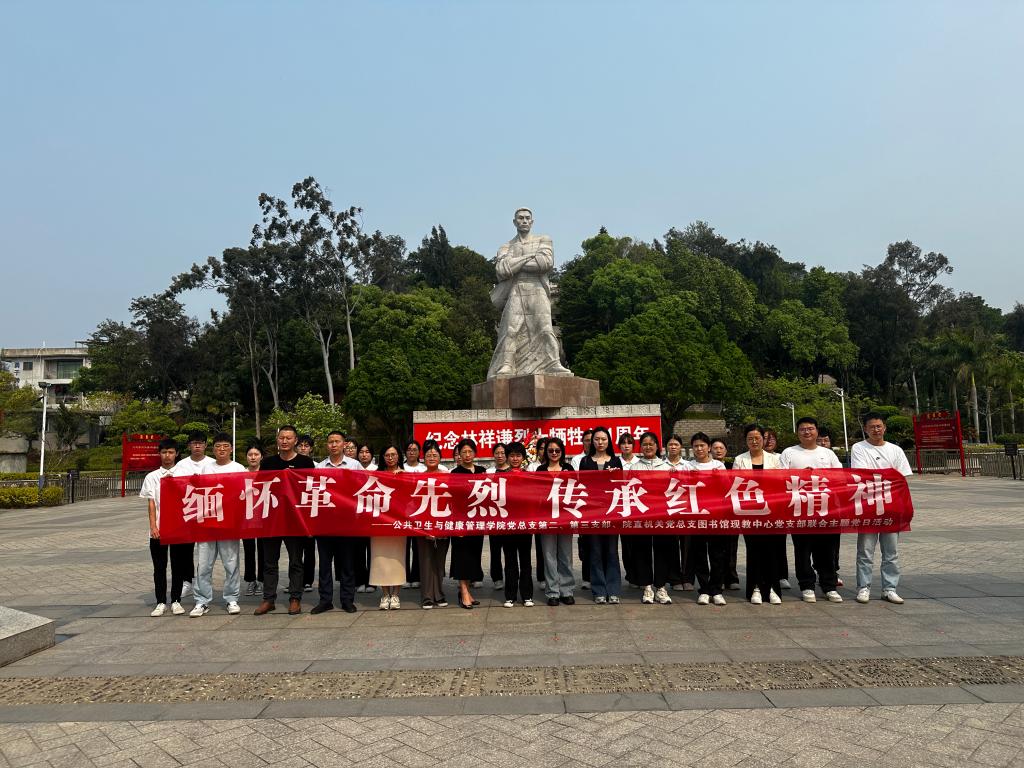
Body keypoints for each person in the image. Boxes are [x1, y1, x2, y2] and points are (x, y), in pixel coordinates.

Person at [486, 207, 572, 378]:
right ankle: (507, 364)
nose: (524, 221)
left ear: (532, 222)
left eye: (527, 218)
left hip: (537, 288)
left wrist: (514, 263)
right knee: (510, 330)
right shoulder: (506, 246)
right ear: (514, 222)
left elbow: (545, 263)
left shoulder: (543, 239)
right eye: (520, 218)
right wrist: (529, 257)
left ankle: (553, 363)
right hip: (516, 289)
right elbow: (502, 270)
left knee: (545, 328)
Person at [780, 416, 844, 603]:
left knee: (827, 550)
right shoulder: (789, 453)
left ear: (817, 431)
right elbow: (780, 478)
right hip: (800, 509)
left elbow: (840, 477)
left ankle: (829, 586)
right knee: (802, 550)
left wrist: (820, 475)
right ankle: (806, 585)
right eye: (802, 429)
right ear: (797, 432)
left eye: (810, 428)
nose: (806, 432)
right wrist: (800, 475)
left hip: (825, 509)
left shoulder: (828, 454)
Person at [852, 413, 913, 605]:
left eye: (879, 426)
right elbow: (863, 474)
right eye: (872, 427)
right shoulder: (859, 448)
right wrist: (888, 475)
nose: (876, 430)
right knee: (865, 550)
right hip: (868, 506)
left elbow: (902, 477)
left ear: (884, 427)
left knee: (891, 551)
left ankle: (889, 588)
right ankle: (863, 587)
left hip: (891, 506)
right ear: (865, 429)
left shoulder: (895, 450)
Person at [255, 425, 316, 615]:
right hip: (271, 519)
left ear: (295, 440)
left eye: (289, 438)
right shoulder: (268, 463)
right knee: (269, 561)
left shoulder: (306, 462)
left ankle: (295, 598)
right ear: (277, 440)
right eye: (281, 437)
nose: (285, 441)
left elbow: (311, 490)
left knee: (296, 561)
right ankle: (268, 599)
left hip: (295, 520)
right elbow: (259, 486)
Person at [190, 433, 245, 617]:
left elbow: (244, 495)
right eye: (218, 446)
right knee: (204, 565)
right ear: (213, 449)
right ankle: (202, 600)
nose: (222, 449)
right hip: (207, 523)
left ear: (231, 449)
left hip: (229, 524)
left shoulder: (238, 468)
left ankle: (231, 598)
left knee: (231, 563)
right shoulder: (206, 468)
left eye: (225, 446)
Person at [733, 424, 784, 605]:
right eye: (750, 438)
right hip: (749, 511)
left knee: (771, 551)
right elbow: (736, 484)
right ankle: (755, 588)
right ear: (745, 440)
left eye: (757, 438)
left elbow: (781, 483)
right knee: (753, 550)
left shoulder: (775, 459)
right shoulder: (740, 460)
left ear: (764, 439)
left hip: (771, 510)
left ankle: (772, 588)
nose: (754, 441)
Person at [310, 431, 360, 615]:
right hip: (325, 523)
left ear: (344, 444)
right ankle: (325, 600)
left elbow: (360, 489)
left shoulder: (354, 465)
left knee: (347, 563)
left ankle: (347, 600)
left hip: (347, 522)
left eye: (337, 441)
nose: (333, 445)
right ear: (327, 445)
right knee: (324, 564)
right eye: (330, 442)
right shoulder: (320, 467)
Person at [141, 438, 191, 617]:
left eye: (170, 452)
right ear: (159, 454)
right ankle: (160, 601)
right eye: (164, 452)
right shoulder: (152, 476)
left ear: (176, 454)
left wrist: (176, 483)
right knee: (159, 567)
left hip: (178, 528)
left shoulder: (185, 474)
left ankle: (176, 600)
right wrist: (153, 526)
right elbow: (151, 503)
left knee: (178, 565)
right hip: (159, 529)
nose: (167, 456)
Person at [578, 426, 623, 605]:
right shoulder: (585, 461)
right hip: (592, 513)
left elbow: (621, 485)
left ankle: (613, 590)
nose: (600, 442)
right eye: (596, 439)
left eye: (603, 439)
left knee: (611, 551)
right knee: (595, 551)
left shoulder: (616, 461)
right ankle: (598, 590)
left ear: (609, 441)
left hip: (611, 512)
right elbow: (582, 486)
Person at [628, 432, 674, 605]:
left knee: (663, 550)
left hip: (662, 515)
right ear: (640, 447)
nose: (648, 447)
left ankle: (661, 587)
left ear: (657, 446)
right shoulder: (635, 467)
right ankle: (647, 586)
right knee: (642, 550)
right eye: (644, 444)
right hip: (642, 514)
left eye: (651, 444)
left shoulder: (666, 467)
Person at [170, 430, 215, 597]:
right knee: (185, 549)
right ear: (189, 445)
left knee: (206, 550)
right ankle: (187, 580)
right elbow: (175, 487)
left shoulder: (212, 463)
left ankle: (203, 581)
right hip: (187, 511)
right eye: (194, 443)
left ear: (205, 445)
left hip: (207, 511)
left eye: (200, 443)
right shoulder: (181, 465)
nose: (197, 446)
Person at [687, 432, 729, 606]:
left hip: (715, 514)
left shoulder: (718, 465)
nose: (699, 449)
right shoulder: (687, 466)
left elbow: (727, 487)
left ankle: (716, 589)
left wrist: (718, 478)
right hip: (696, 514)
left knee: (717, 553)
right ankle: (704, 589)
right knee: (699, 553)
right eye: (696, 446)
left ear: (709, 447)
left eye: (702, 445)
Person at [536, 437, 576, 606]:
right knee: (549, 555)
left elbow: (576, 489)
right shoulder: (540, 469)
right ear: (546, 452)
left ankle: (567, 590)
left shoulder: (568, 468)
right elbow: (535, 493)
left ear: (562, 452)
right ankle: (552, 591)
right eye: (550, 450)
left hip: (565, 517)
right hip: (547, 518)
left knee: (566, 555)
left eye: (557, 450)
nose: (554, 453)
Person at [494, 442, 534, 607]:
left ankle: (527, 595)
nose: (515, 459)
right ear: (507, 457)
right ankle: (510, 595)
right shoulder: (499, 476)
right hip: (508, 524)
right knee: (510, 560)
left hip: (525, 524)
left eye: (518, 455)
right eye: (512, 455)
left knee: (525, 560)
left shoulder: (530, 476)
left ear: (523, 457)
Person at [449, 438, 487, 609]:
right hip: (461, 521)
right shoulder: (455, 473)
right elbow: (453, 499)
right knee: (461, 556)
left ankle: (468, 592)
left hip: (477, 520)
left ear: (475, 453)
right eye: (463, 452)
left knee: (473, 556)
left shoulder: (481, 471)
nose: (466, 455)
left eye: (469, 451)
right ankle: (463, 591)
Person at [370, 445, 407, 610]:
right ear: (382, 457)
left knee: (397, 559)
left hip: (398, 524)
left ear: (399, 456)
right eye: (387, 455)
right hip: (379, 524)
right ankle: (385, 594)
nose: (390, 458)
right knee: (380, 559)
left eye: (393, 454)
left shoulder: (406, 475)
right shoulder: (375, 475)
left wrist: (402, 478)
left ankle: (396, 594)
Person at [417, 441, 450, 609]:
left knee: (439, 561)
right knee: (425, 561)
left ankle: (439, 594)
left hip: (443, 524)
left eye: (435, 455)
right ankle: (427, 596)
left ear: (440, 458)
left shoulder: (447, 476)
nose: (431, 458)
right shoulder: (417, 477)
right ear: (423, 458)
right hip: (423, 525)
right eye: (428, 455)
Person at [663, 435, 692, 592]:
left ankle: (687, 578)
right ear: (666, 447)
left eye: (676, 444)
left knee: (687, 545)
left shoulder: (688, 465)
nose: (673, 447)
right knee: (671, 545)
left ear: (681, 446)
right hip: (668, 510)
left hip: (686, 509)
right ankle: (674, 579)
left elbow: (694, 484)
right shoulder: (661, 465)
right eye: (670, 444)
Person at [710, 438, 739, 589]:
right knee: (716, 547)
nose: (718, 450)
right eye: (715, 448)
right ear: (710, 450)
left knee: (731, 546)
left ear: (726, 450)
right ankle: (718, 579)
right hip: (713, 511)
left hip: (731, 510)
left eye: (721, 448)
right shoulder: (706, 466)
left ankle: (732, 578)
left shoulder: (733, 466)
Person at [241, 442, 265, 596]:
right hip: (246, 519)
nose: (253, 457)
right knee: (248, 550)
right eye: (250, 454)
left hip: (263, 518)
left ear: (261, 456)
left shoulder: (267, 473)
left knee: (263, 550)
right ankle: (250, 580)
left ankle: (262, 580)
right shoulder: (240, 473)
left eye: (256, 454)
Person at [617, 433, 640, 588]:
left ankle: (641, 574)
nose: (626, 446)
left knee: (639, 543)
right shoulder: (615, 462)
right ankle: (631, 575)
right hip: (621, 506)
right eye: (623, 443)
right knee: (626, 544)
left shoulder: (639, 462)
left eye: (629, 443)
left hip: (638, 506)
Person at [353, 443, 375, 593]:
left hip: (374, 516)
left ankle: (372, 582)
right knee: (359, 551)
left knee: (372, 550)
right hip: (358, 516)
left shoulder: (378, 470)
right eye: (361, 452)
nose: (364, 454)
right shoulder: (353, 469)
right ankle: (360, 580)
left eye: (367, 452)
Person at [485, 444, 507, 590]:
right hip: (494, 515)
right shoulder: (488, 472)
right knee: (495, 549)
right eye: (497, 453)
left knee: (509, 549)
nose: (500, 456)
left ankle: (511, 576)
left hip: (509, 516)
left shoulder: (513, 470)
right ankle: (497, 577)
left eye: (502, 453)